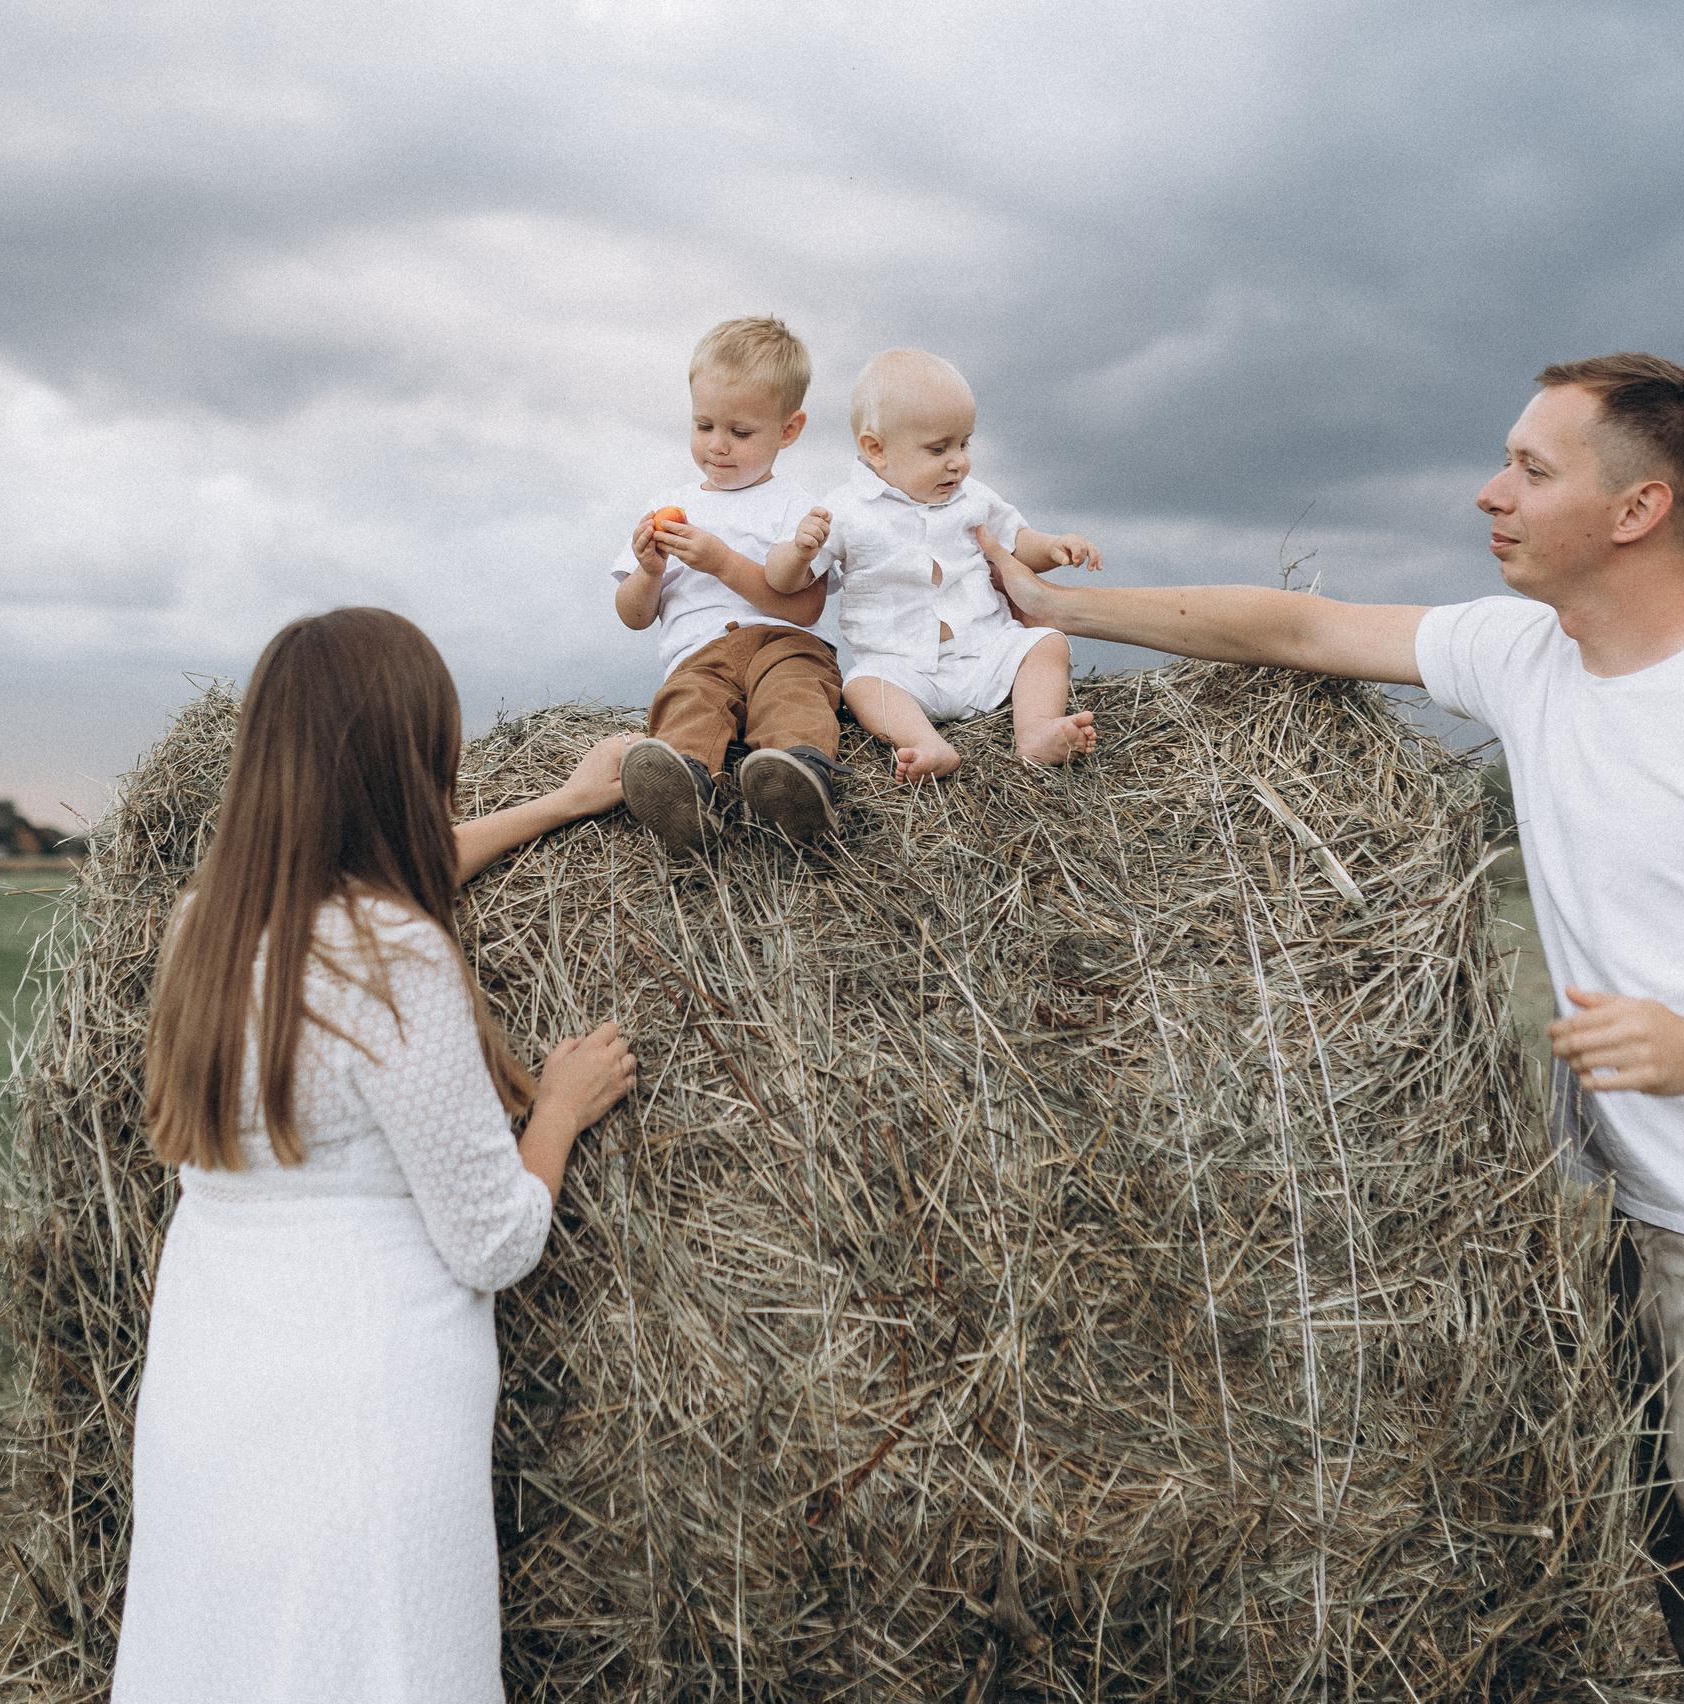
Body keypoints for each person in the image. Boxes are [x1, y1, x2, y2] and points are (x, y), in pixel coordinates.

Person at [979, 353, 1684, 1704]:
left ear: (1640, 507)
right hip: (1618, 1237)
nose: (1492, 491)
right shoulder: (1531, 655)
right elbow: (1295, 630)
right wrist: (1058, 606)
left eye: (1532, 470)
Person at [111, 608, 639, 1703]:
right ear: (411, 757)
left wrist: (556, 804)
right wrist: (560, 1110)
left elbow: (365, 889)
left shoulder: (201, 928)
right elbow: (493, 1240)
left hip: (211, 1388)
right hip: (362, 1404)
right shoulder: (396, 959)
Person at [766, 348, 1100, 780]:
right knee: (862, 686)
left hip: (987, 651)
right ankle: (926, 744)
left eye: (964, 443)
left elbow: (1015, 542)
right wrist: (798, 551)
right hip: (903, 671)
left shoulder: (973, 498)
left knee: (1046, 642)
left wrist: (1053, 547)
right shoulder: (845, 510)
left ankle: (1034, 730)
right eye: (938, 448)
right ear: (876, 449)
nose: (958, 460)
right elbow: (783, 580)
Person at [613, 316, 848, 853]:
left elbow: (807, 608)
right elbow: (633, 615)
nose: (718, 446)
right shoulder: (666, 505)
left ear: (788, 430)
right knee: (689, 702)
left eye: (740, 433)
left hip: (784, 644)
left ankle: (797, 778)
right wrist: (649, 572)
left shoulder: (797, 507)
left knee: (795, 694)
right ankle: (683, 788)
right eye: (704, 426)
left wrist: (722, 562)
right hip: (699, 654)